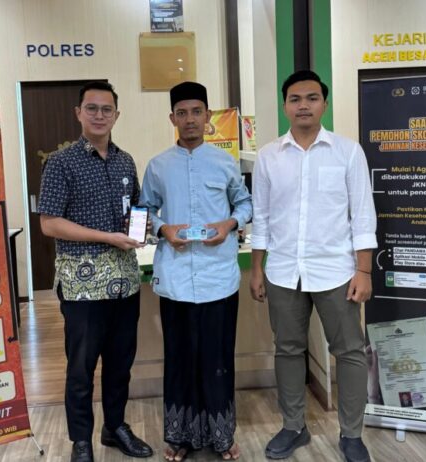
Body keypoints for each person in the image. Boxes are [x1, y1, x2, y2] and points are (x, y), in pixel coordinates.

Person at [249, 70, 377, 462]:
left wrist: (364, 271)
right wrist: (257, 269)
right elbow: (261, 218)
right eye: (295, 99)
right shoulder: (268, 156)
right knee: (288, 350)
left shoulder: (348, 152)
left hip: (336, 272)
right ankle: (294, 427)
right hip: (283, 271)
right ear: (284, 106)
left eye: (311, 98)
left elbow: (363, 215)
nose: (303, 105)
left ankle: (352, 434)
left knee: (349, 352)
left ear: (324, 103)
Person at [37, 81, 153, 462]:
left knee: (120, 364)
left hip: (125, 282)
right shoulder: (61, 163)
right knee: (81, 368)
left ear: (116, 115)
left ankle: (114, 427)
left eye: (107, 109)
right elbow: (49, 223)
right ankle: (81, 440)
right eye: (92, 108)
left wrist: (143, 226)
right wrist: (107, 236)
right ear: (79, 113)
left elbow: (135, 208)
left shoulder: (125, 161)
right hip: (82, 286)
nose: (100, 115)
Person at [140, 81, 252, 461]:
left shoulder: (224, 162)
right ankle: (180, 437)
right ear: (172, 118)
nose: (190, 119)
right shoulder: (158, 166)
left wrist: (230, 224)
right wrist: (162, 229)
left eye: (196, 112)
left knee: (217, 361)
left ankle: (222, 436)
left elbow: (245, 204)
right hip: (175, 281)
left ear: (207, 117)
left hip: (218, 279)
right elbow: (143, 212)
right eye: (182, 113)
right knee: (180, 360)